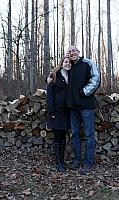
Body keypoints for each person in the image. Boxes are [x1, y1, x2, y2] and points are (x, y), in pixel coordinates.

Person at [47, 45, 101, 175]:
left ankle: (88, 162)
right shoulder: (69, 67)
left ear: (78, 52)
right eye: (69, 52)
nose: (72, 53)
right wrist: (48, 79)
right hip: (72, 108)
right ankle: (77, 160)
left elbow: (96, 79)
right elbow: (58, 75)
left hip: (86, 106)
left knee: (88, 135)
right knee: (75, 134)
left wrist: (84, 92)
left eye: (74, 50)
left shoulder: (87, 63)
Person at [46, 56, 71, 173]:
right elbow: (49, 96)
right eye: (66, 62)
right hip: (56, 111)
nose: (68, 64)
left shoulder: (71, 77)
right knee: (57, 137)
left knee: (63, 137)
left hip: (67, 112)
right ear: (61, 64)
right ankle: (58, 162)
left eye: (69, 62)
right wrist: (51, 112)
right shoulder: (55, 76)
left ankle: (62, 161)